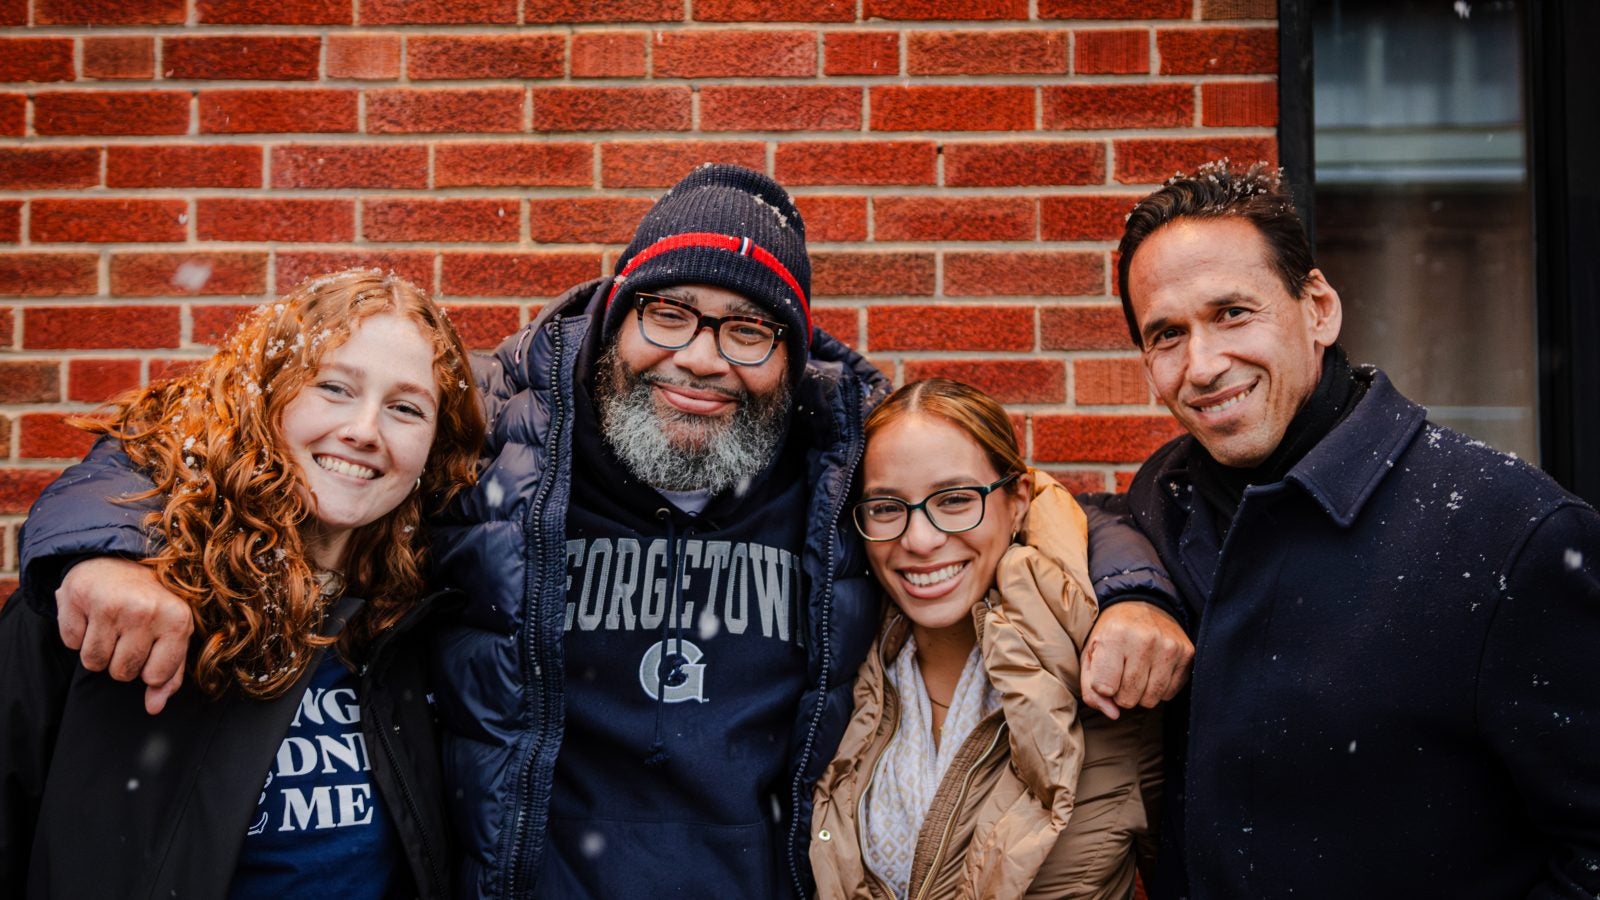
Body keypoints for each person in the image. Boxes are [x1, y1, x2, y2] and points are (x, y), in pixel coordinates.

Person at [18, 164, 1190, 898]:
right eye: (668, 313)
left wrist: (1136, 589)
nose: (698, 357)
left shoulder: (841, 458)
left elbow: (1028, 501)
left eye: (748, 331)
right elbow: (214, 447)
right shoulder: (492, 435)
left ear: (791, 362)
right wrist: (98, 548)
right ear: (615, 312)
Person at [1112, 160, 1600, 898]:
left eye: (1233, 314)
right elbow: (1079, 517)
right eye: (1167, 335)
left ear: (1319, 308)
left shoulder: (1510, 532)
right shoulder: (1164, 497)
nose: (1203, 364)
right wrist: (1131, 594)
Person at [0, 269, 484, 897]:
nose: (366, 430)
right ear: (268, 398)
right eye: (335, 387)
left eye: (405, 408)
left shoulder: (423, 618)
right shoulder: (100, 598)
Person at [810, 379, 1165, 899]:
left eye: (954, 499)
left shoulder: (1113, 672)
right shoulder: (833, 671)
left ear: (1018, 500)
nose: (920, 540)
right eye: (886, 507)